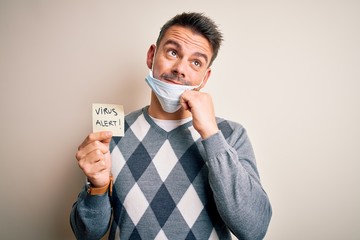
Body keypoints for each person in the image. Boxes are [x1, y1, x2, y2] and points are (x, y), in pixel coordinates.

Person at [70, 12, 272, 240]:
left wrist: (211, 135)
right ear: (151, 56)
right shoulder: (113, 132)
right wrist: (97, 186)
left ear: (204, 78)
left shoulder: (230, 135)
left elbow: (254, 230)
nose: (180, 69)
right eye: (173, 52)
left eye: (196, 62)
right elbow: (86, 234)